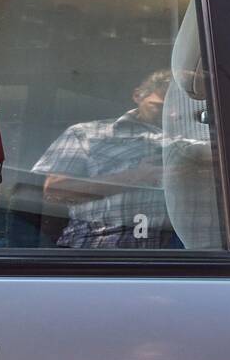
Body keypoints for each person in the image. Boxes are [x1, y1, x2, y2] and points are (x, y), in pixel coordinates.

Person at [32, 69, 175, 248]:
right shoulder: (88, 134)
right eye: (160, 107)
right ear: (137, 95)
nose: (171, 115)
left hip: (193, 258)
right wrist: (137, 176)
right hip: (99, 252)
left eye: (176, 108)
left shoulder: (206, 139)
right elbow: (56, 191)